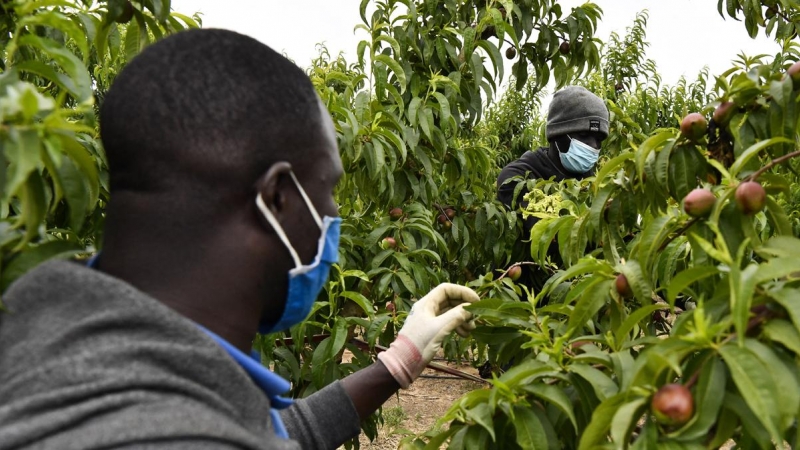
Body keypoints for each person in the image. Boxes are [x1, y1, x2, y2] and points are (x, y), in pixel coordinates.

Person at [0, 29, 479, 450]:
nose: (334, 216)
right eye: (328, 190)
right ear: (276, 197)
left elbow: (261, 430)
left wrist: (399, 361)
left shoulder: (42, 336)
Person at [496, 85, 609, 295]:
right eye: (584, 135)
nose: (593, 145)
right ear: (558, 134)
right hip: (522, 305)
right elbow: (547, 229)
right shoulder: (519, 176)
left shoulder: (593, 182)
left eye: (599, 139)